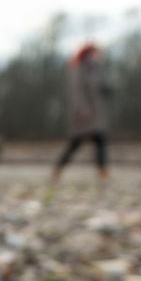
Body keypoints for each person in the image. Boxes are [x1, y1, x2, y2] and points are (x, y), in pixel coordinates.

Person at [51, 42, 112, 184]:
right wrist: (82, 108)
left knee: (100, 141)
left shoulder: (97, 70)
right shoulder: (78, 68)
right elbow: (76, 91)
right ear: (87, 54)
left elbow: (102, 86)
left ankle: (103, 173)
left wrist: (107, 88)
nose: (96, 56)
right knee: (75, 144)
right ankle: (58, 168)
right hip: (83, 115)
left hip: (96, 115)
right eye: (94, 53)